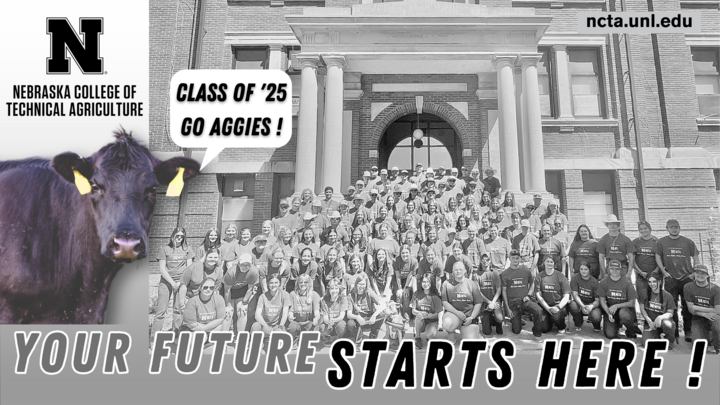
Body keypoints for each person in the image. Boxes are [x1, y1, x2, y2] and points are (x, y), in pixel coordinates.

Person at [656, 219, 700, 342]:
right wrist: (664, 272)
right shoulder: (661, 242)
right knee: (671, 306)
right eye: (671, 227)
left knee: (687, 306)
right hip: (671, 279)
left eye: (676, 227)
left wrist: (694, 273)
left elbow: (696, 258)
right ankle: (673, 332)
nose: (674, 229)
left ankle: (688, 332)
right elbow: (658, 257)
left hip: (687, 279)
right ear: (667, 228)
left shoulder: (688, 242)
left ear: (679, 228)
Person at [151, 227, 196, 343]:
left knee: (178, 310)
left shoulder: (188, 249)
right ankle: (154, 339)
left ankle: (177, 337)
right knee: (161, 311)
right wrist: (172, 282)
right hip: (166, 282)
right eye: (178, 236)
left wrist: (180, 282)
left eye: (182, 236)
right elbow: (162, 268)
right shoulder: (165, 249)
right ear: (173, 236)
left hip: (181, 282)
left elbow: (188, 268)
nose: (179, 238)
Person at [502, 250, 544, 342]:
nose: (515, 260)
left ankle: (537, 333)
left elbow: (533, 283)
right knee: (516, 331)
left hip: (524, 301)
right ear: (509, 259)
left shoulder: (525, 270)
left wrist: (529, 294)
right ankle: (517, 319)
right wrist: (507, 308)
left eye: (517, 258)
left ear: (520, 259)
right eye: (513, 258)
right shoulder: (505, 274)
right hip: (513, 304)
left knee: (538, 310)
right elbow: (504, 291)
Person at [441, 261, 483, 345]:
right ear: (452, 272)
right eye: (456, 270)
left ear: (465, 271)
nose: (458, 271)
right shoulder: (446, 284)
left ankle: (463, 329)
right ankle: (451, 333)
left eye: (460, 269)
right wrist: (457, 313)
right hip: (454, 314)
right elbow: (444, 302)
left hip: (468, 316)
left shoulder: (471, 284)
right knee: (447, 323)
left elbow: (478, 302)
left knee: (471, 343)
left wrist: (471, 317)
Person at [597, 260, 641, 340]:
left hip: (625, 310)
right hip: (611, 310)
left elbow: (632, 303)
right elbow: (602, 300)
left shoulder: (627, 283)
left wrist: (617, 306)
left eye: (617, 269)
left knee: (624, 315)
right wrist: (608, 312)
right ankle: (616, 325)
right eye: (612, 269)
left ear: (621, 270)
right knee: (610, 335)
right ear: (609, 269)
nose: (614, 271)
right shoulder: (604, 282)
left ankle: (630, 331)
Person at [683, 264, 720, 354]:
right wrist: (704, 314)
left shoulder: (716, 289)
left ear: (707, 275)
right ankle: (708, 336)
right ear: (694, 274)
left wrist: (696, 307)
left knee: (717, 326)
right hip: (698, 317)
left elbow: (717, 310)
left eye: (703, 273)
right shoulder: (688, 287)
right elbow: (690, 309)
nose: (700, 275)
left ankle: (718, 346)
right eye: (697, 273)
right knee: (698, 346)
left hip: (714, 317)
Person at [223, 252, 260, 337]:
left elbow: (250, 288)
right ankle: (224, 337)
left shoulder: (253, 272)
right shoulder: (231, 272)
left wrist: (244, 303)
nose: (245, 267)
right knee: (228, 314)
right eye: (243, 264)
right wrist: (228, 305)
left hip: (242, 290)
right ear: (238, 264)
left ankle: (240, 337)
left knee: (242, 312)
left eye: (247, 265)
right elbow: (226, 290)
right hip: (229, 291)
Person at [251, 273, 291, 346]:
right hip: (264, 325)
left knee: (281, 344)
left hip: (277, 326)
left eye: (276, 283)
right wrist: (265, 326)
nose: (273, 285)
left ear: (279, 284)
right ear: (268, 284)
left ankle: (271, 339)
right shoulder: (263, 296)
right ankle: (258, 345)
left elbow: (285, 313)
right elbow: (257, 315)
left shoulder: (285, 295)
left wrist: (281, 326)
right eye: (271, 283)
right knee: (255, 326)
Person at [639, 270, 676, 348]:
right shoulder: (644, 293)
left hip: (663, 322)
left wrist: (660, 317)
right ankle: (657, 336)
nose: (652, 284)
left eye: (654, 281)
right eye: (649, 282)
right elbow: (642, 309)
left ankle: (668, 340)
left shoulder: (667, 295)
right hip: (650, 323)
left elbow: (670, 313)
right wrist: (649, 321)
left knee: (668, 324)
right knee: (646, 344)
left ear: (659, 282)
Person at [535, 257, 571, 335]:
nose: (549, 263)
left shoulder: (560, 276)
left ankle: (561, 326)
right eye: (547, 261)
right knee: (543, 329)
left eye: (551, 262)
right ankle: (550, 321)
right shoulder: (539, 276)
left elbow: (566, 296)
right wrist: (548, 308)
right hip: (545, 306)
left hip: (558, 305)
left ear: (554, 264)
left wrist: (558, 307)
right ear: (543, 262)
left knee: (556, 317)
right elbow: (538, 296)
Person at [346, 277, 386, 345]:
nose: (362, 286)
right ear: (356, 284)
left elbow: (383, 305)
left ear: (366, 285)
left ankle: (373, 336)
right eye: (360, 284)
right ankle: (359, 337)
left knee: (382, 314)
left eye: (363, 284)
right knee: (350, 323)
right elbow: (348, 314)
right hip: (359, 321)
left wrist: (374, 315)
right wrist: (357, 317)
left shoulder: (369, 292)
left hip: (370, 320)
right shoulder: (351, 295)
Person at [287, 274, 322, 346]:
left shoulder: (314, 295)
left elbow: (317, 313)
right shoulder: (292, 294)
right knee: (292, 327)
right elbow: (290, 311)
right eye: (300, 282)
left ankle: (303, 339)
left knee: (312, 338)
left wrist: (316, 319)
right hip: (297, 322)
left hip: (308, 322)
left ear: (309, 283)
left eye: (305, 282)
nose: (303, 284)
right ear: (297, 283)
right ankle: (296, 339)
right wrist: (290, 316)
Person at [597, 214, 635, 279]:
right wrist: (604, 273)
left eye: (614, 224)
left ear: (618, 225)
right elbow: (601, 257)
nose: (612, 226)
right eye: (610, 224)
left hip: (623, 268)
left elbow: (631, 257)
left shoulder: (626, 239)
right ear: (607, 225)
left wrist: (629, 272)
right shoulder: (603, 240)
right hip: (609, 268)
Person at [412, 273, 443, 349]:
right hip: (420, 320)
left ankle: (429, 337)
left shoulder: (435, 296)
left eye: (427, 282)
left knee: (430, 334)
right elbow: (413, 310)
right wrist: (421, 313)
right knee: (419, 316)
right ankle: (418, 337)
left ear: (431, 283)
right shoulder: (416, 294)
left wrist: (428, 315)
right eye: (424, 282)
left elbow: (438, 313)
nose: (425, 284)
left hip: (431, 321)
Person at [569, 261, 602, 332]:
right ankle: (578, 323)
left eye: (585, 269)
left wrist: (591, 306)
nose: (583, 271)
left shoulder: (594, 282)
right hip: (580, 302)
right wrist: (582, 306)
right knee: (572, 305)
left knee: (596, 316)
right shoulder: (575, 278)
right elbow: (575, 295)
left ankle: (596, 326)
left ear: (589, 270)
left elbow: (597, 300)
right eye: (581, 269)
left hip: (592, 303)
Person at [477, 252, 504, 336]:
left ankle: (498, 323)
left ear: (490, 261)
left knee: (499, 318)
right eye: (483, 260)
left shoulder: (495, 273)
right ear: (480, 261)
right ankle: (490, 319)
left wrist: (493, 302)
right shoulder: (477, 274)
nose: (485, 261)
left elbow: (499, 289)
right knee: (487, 332)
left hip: (495, 301)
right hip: (484, 303)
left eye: (487, 259)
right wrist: (489, 302)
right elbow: (478, 292)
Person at [319, 278, 349, 345]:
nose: (334, 291)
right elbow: (325, 317)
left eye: (336, 288)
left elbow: (342, 316)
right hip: (329, 322)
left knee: (341, 326)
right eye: (332, 288)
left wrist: (334, 320)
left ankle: (338, 338)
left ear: (339, 289)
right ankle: (329, 338)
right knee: (322, 328)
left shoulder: (343, 298)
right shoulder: (324, 300)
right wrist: (328, 321)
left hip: (338, 321)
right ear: (328, 290)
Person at [633, 220, 658, 296]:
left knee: (655, 297)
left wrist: (654, 272)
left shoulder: (657, 242)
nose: (643, 230)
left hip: (655, 274)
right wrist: (640, 272)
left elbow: (661, 260)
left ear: (650, 229)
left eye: (645, 228)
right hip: (640, 275)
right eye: (641, 229)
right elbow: (632, 260)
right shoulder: (635, 242)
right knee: (642, 297)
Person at [394, 245, 418, 319]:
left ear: (410, 253)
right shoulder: (396, 260)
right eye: (403, 253)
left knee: (406, 295)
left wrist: (406, 288)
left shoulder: (414, 261)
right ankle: (399, 315)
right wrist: (400, 288)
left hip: (410, 280)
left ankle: (407, 316)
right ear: (400, 253)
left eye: (406, 252)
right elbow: (397, 276)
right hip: (399, 280)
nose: (405, 255)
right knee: (399, 295)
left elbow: (411, 276)